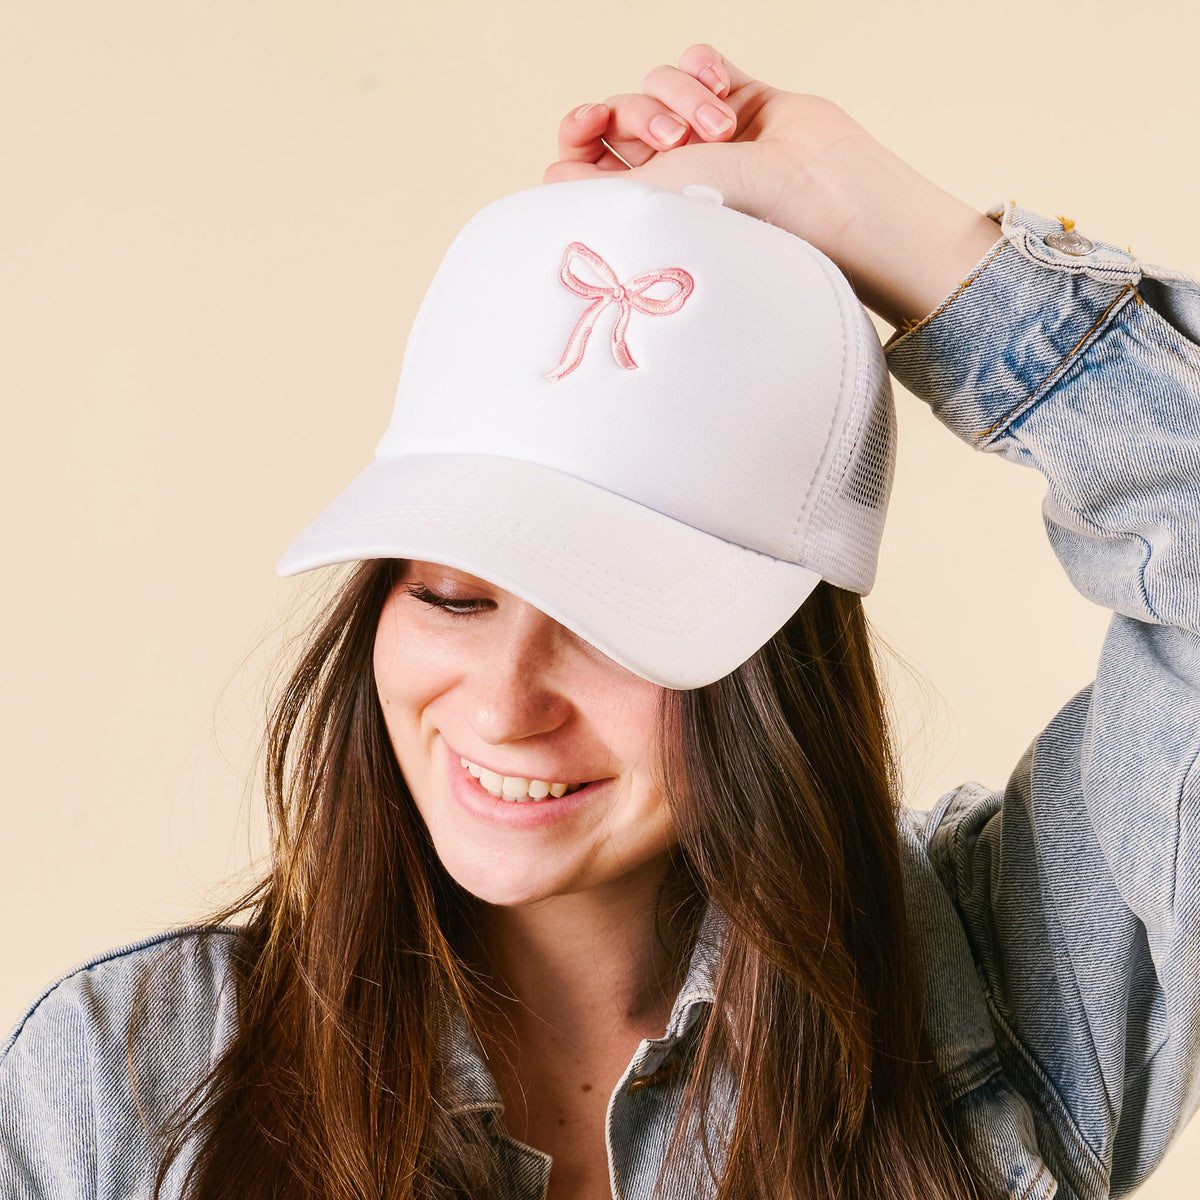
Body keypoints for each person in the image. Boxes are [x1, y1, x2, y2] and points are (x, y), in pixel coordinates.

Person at [2, 41, 1198, 1200]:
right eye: (452, 596)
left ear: (772, 669)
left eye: (615, 626)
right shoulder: (122, 1087)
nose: (503, 706)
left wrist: (871, 209)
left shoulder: (992, 985)